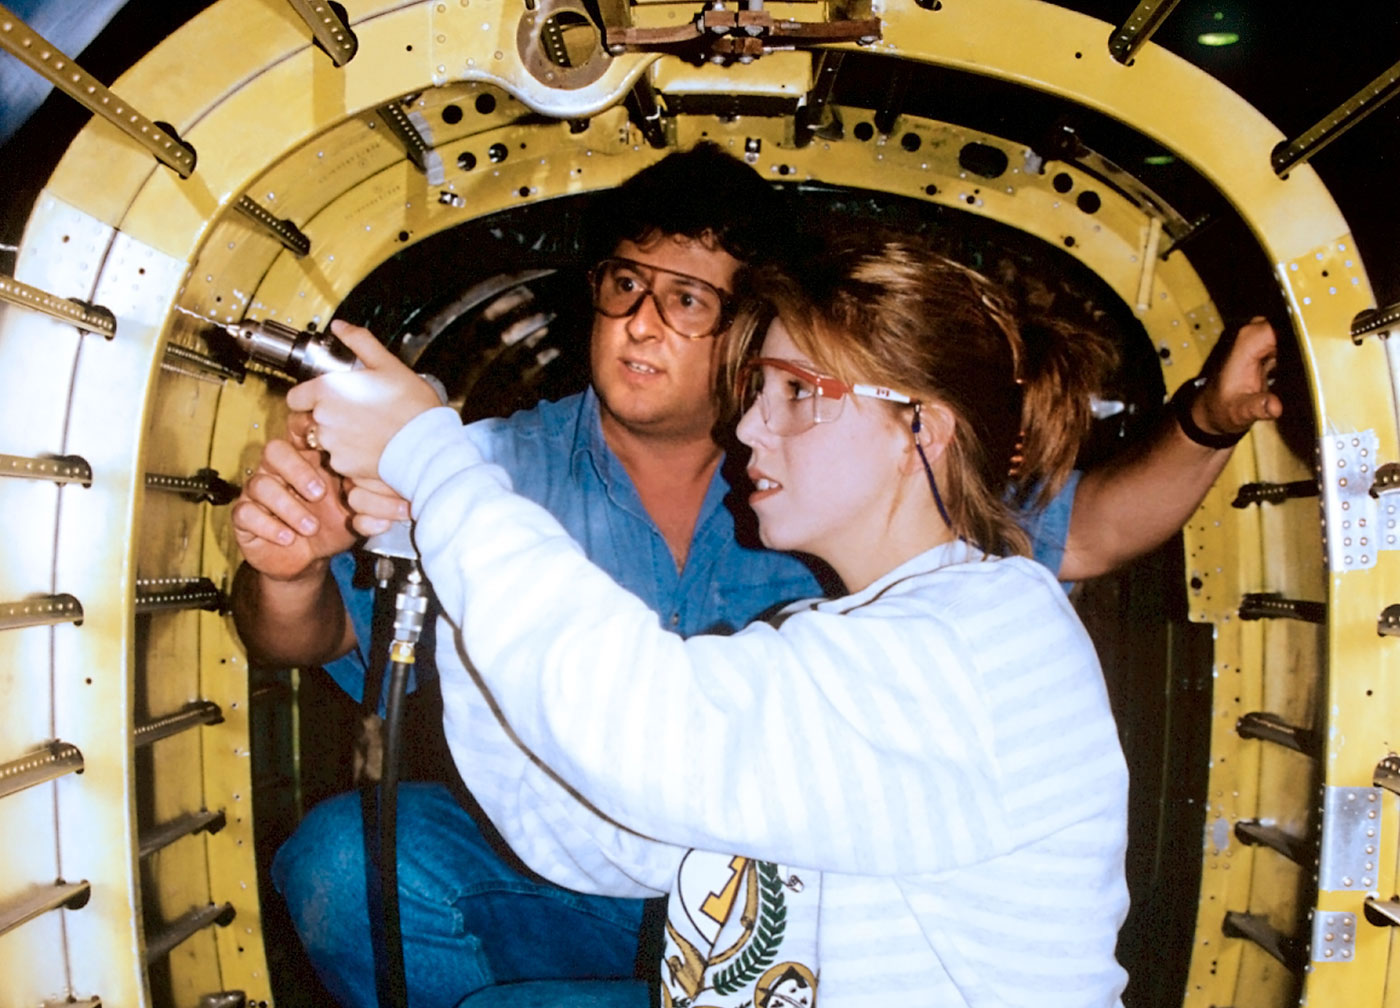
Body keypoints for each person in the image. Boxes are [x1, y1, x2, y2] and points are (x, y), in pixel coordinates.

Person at [231, 145, 1280, 1007]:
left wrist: (433, 464)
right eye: (625, 287)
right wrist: (424, 532)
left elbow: (648, 738)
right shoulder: (874, 625)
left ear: (916, 428)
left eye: (789, 392)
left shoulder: (965, 648)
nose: (748, 425)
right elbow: (621, 829)